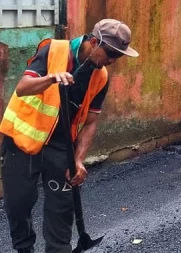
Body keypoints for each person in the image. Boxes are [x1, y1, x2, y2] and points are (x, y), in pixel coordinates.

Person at [1, 19, 138, 253]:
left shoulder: (100, 76)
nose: (113, 61)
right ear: (94, 42)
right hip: (22, 141)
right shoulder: (54, 50)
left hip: (61, 147)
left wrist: (77, 159)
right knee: (18, 205)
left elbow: (91, 122)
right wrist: (51, 78)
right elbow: (23, 87)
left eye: (119, 56)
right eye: (111, 53)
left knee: (62, 210)